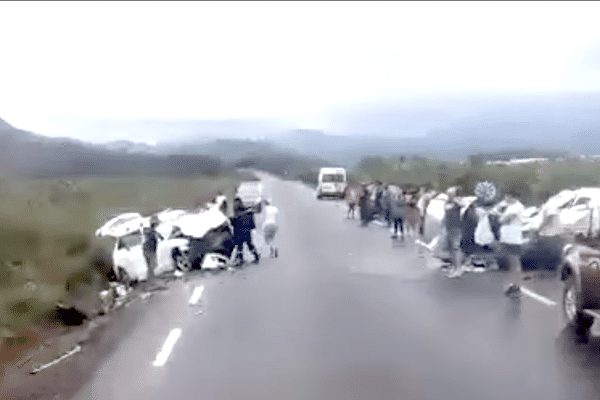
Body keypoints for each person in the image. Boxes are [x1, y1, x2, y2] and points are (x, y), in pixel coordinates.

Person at [231, 197, 260, 266]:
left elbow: (232, 223)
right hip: (246, 231)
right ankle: (256, 257)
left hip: (238, 231)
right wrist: (251, 228)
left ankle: (241, 260)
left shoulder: (235, 213)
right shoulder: (248, 212)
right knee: (249, 244)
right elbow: (252, 223)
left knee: (239, 246)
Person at [443, 187, 464, 278]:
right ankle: (454, 267)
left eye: (450, 193)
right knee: (451, 249)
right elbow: (446, 211)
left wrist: (456, 200)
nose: (449, 195)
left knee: (455, 248)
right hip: (449, 227)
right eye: (448, 193)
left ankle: (458, 269)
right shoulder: (447, 202)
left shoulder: (457, 201)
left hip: (456, 227)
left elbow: (463, 204)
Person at [142, 215, 163, 285]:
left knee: (150, 266)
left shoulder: (149, 230)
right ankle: (152, 282)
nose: (158, 225)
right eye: (157, 224)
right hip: (149, 249)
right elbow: (150, 234)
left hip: (147, 249)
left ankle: (151, 281)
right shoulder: (149, 231)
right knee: (152, 266)